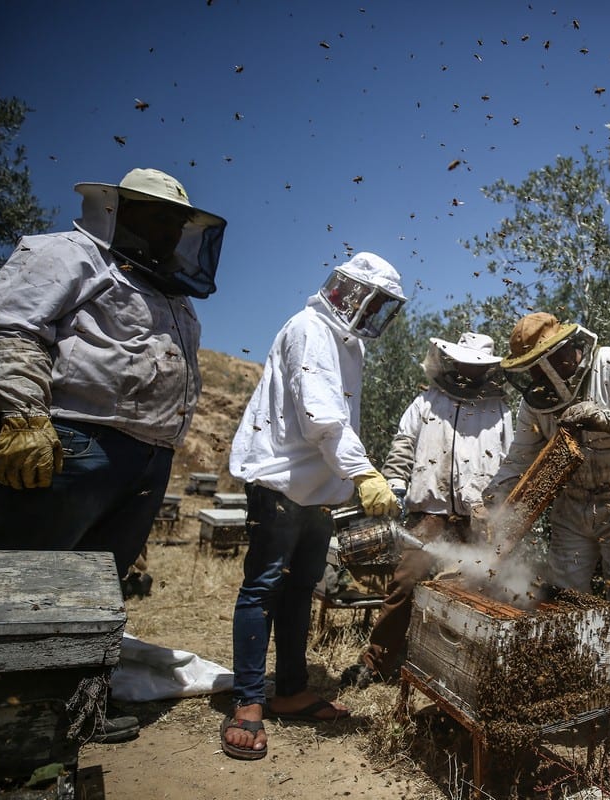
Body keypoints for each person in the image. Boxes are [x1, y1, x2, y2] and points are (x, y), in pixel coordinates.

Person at [0, 167, 227, 744]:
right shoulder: (69, 254)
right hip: (76, 443)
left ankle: (75, 709)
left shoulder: (169, 293)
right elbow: (11, 326)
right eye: (158, 218)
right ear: (118, 212)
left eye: (178, 224)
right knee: (31, 579)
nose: (170, 233)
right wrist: (25, 416)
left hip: (147, 456)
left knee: (97, 592)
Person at [480, 312, 610, 786]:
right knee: (567, 607)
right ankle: (576, 707)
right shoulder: (537, 402)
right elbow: (520, 458)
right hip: (573, 504)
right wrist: (494, 505)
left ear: (564, 353)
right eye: (529, 370)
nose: (536, 377)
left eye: (540, 365)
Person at [222, 252, 407, 761]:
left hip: (319, 490)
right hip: (279, 481)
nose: (374, 314)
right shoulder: (308, 329)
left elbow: (339, 422)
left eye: (383, 308)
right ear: (349, 292)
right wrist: (364, 472)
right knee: (263, 588)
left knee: (300, 590)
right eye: (373, 303)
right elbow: (322, 418)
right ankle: (248, 702)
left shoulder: (351, 345)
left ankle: (291, 690)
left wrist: (349, 476)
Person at [340, 332, 514, 689]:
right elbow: (403, 444)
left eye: (476, 366)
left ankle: (466, 676)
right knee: (404, 583)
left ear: (488, 369)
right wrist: (395, 481)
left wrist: (497, 507)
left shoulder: (499, 409)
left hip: (478, 518)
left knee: (478, 592)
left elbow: (512, 462)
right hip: (428, 513)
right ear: (453, 362)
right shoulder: (427, 401)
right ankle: (377, 662)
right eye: (464, 363)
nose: (468, 371)